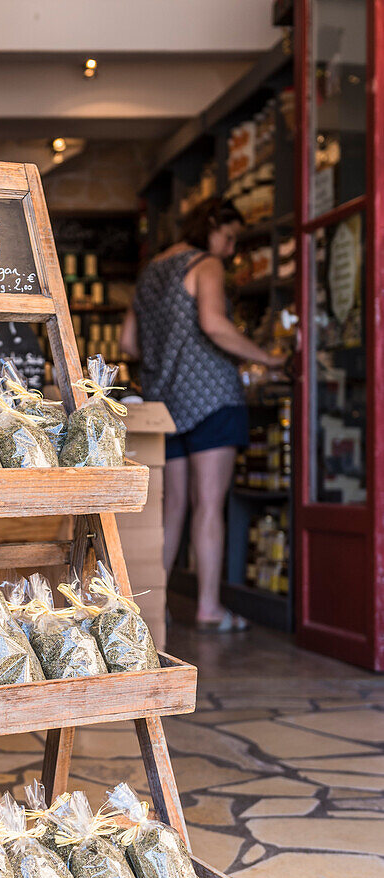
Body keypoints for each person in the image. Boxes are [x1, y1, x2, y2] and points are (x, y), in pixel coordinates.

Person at [121, 197, 286, 632]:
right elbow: (214, 324)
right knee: (209, 506)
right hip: (211, 398)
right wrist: (267, 359)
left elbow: (129, 344)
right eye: (229, 237)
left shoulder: (151, 271)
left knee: (171, 507)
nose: (231, 250)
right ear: (211, 226)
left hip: (165, 404)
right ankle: (210, 607)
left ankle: (151, 606)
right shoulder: (206, 264)